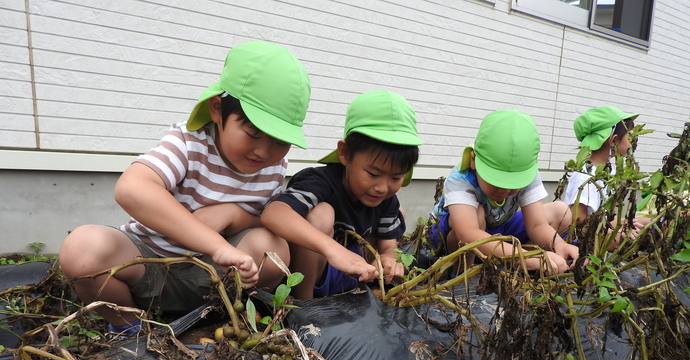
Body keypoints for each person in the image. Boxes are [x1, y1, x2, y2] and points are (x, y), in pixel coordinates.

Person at [58, 40, 311, 336]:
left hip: (212, 282)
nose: (264, 152)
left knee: (272, 249)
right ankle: (130, 328)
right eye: (253, 133)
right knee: (82, 249)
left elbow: (265, 221)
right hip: (149, 263)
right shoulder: (189, 143)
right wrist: (216, 245)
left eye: (280, 141)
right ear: (218, 109)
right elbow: (132, 188)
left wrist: (234, 215)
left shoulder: (273, 168)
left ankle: (227, 320)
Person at [260, 90, 423, 299]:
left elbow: (389, 245)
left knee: (398, 211)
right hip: (318, 272)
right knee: (321, 213)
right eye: (373, 173)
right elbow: (274, 213)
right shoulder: (320, 181)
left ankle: (354, 294)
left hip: (357, 273)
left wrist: (390, 259)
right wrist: (333, 250)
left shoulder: (385, 198)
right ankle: (305, 303)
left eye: (396, 177)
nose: (383, 187)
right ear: (345, 153)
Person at [430, 109, 577, 274]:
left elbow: (537, 224)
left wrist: (559, 244)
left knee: (560, 210)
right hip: (458, 241)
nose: (505, 190)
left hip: (500, 232)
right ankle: (464, 276)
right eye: (495, 180)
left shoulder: (525, 171)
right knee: (477, 215)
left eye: (515, 182)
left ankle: (527, 266)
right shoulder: (461, 179)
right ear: (473, 161)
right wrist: (525, 257)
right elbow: (466, 233)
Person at [564, 106, 648, 247]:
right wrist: (616, 228)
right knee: (630, 237)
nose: (633, 140)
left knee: (645, 222)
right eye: (630, 135)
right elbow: (579, 218)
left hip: (599, 228)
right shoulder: (586, 176)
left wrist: (620, 223)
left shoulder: (608, 173)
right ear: (614, 140)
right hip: (583, 238)